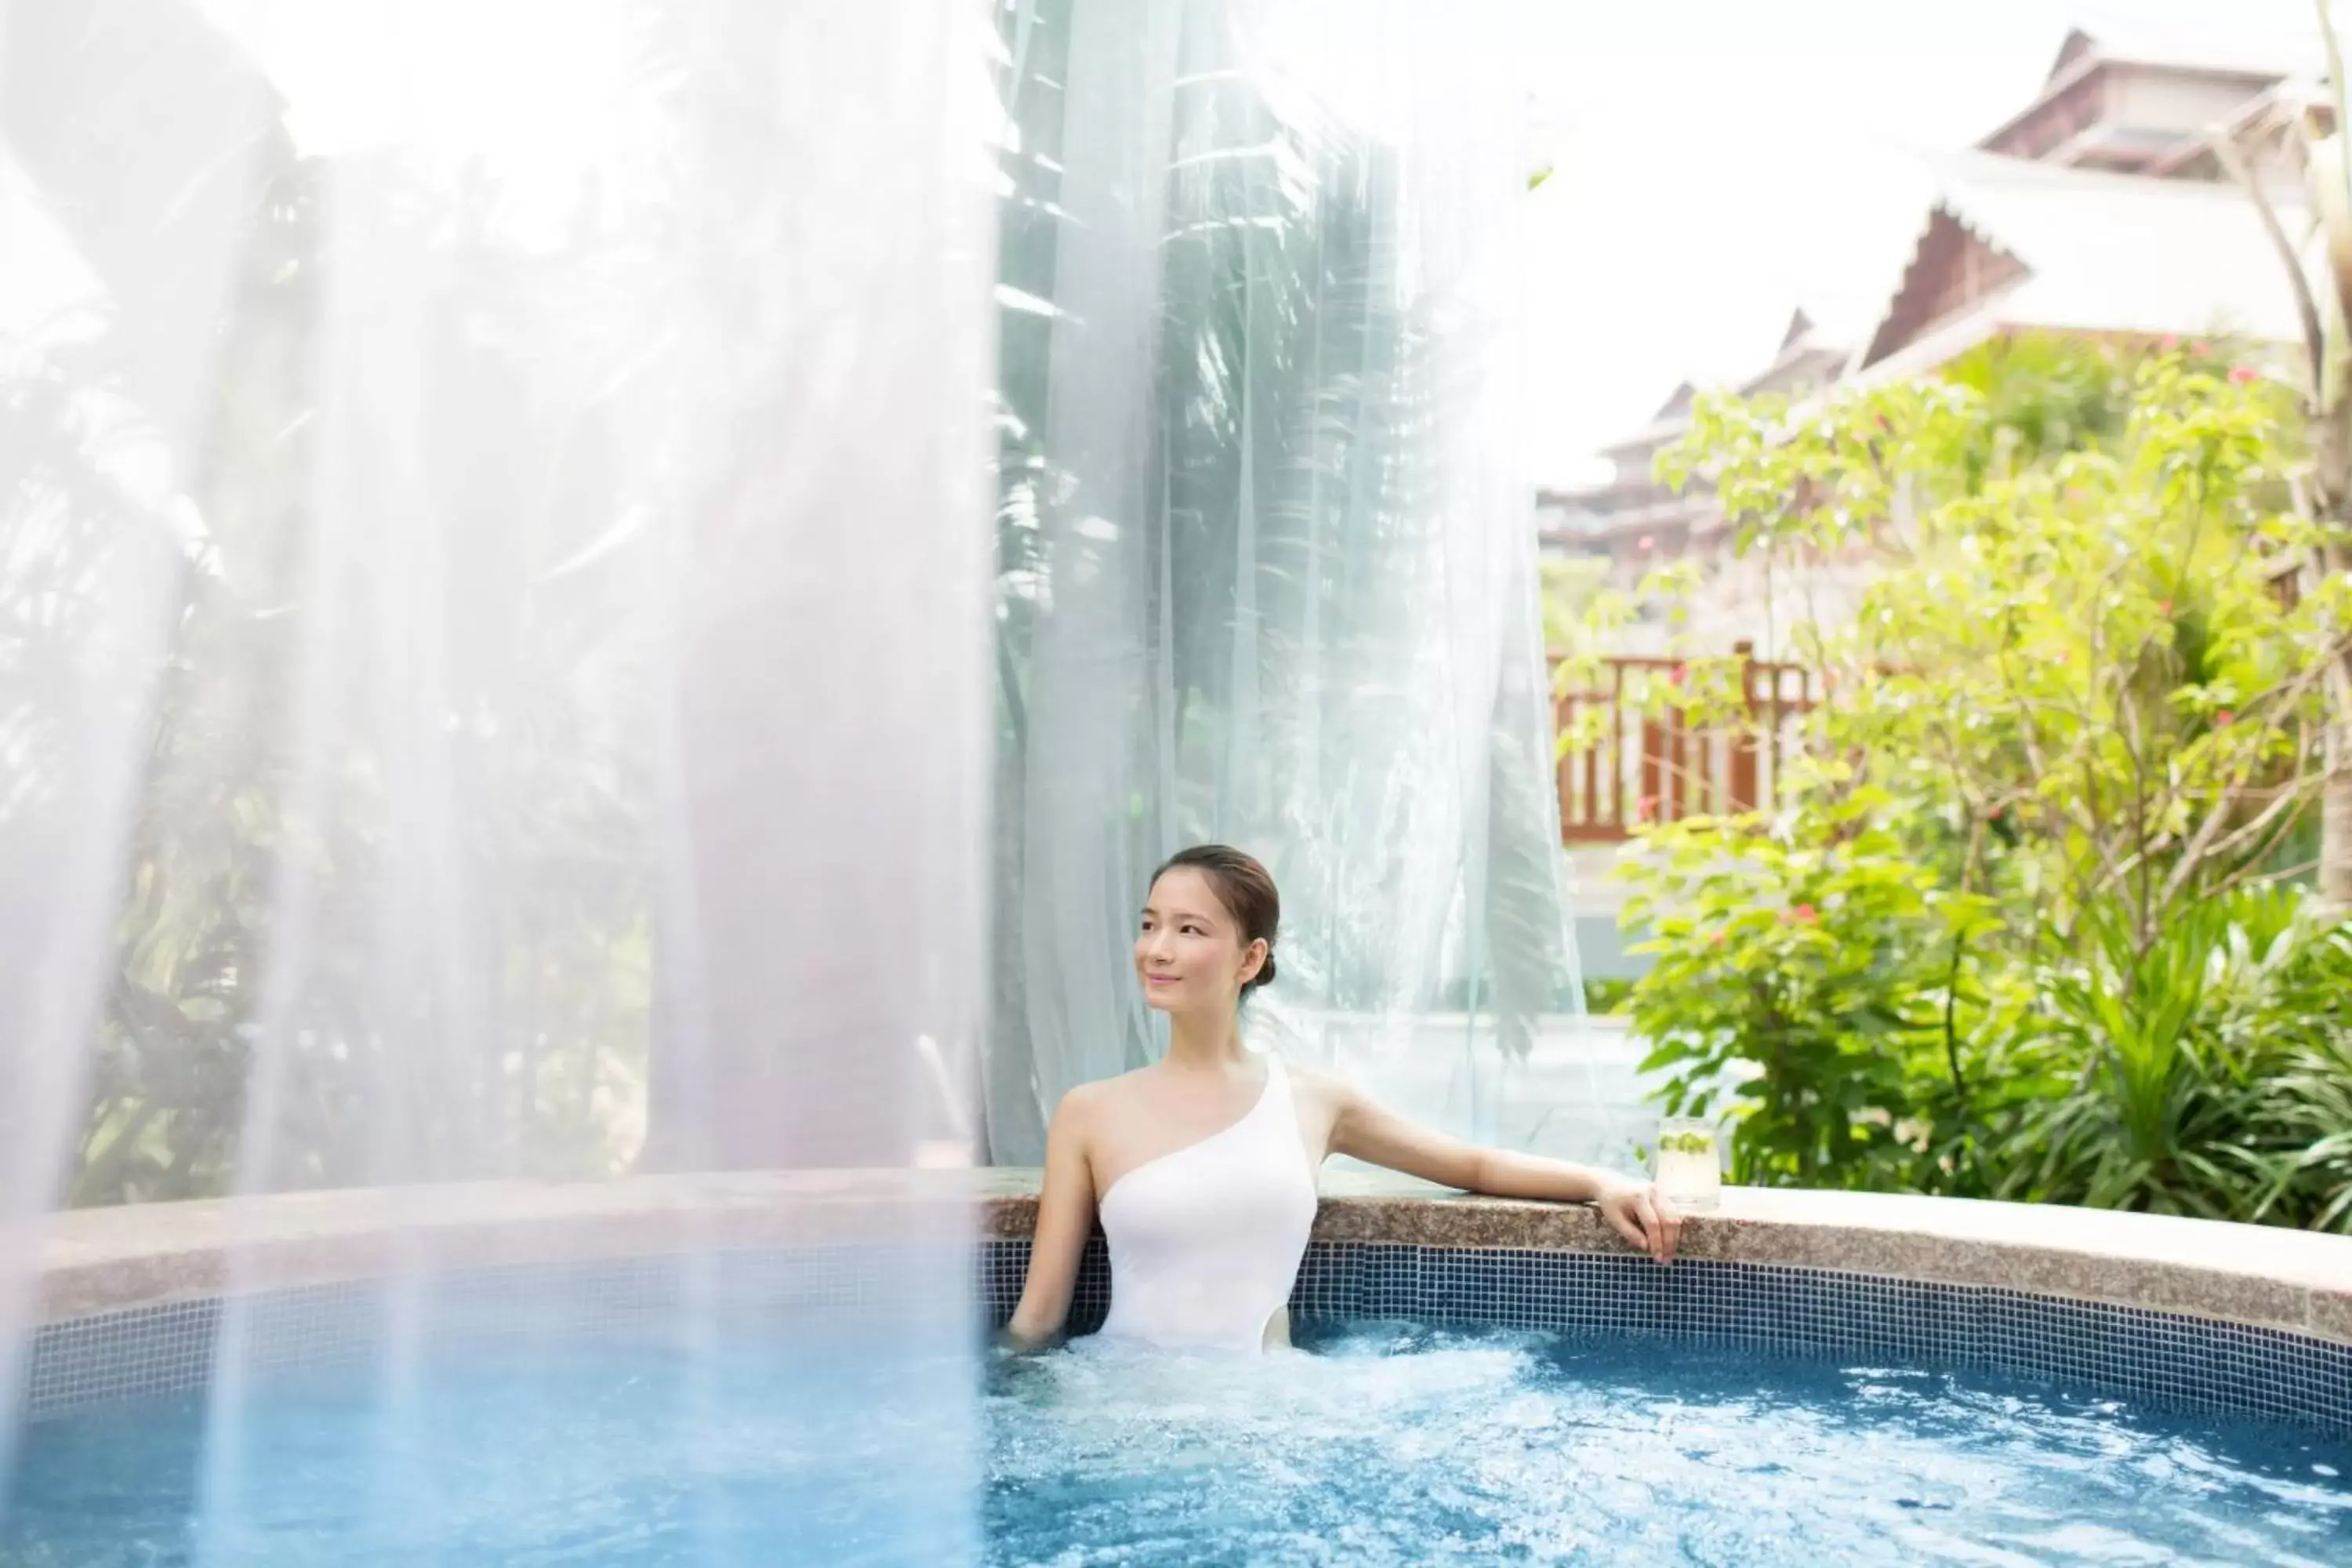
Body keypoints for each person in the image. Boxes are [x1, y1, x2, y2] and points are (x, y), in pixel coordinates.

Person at [1004, 844, 1682, 1355]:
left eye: (1189, 930)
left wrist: (1600, 1181)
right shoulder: (1090, 1112)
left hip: (1269, 1409)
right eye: (1150, 924)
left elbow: (1469, 1167)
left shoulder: (1311, 1102)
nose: (1157, 948)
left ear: (1248, 960)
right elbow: (1039, 1317)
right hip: (1124, 1407)